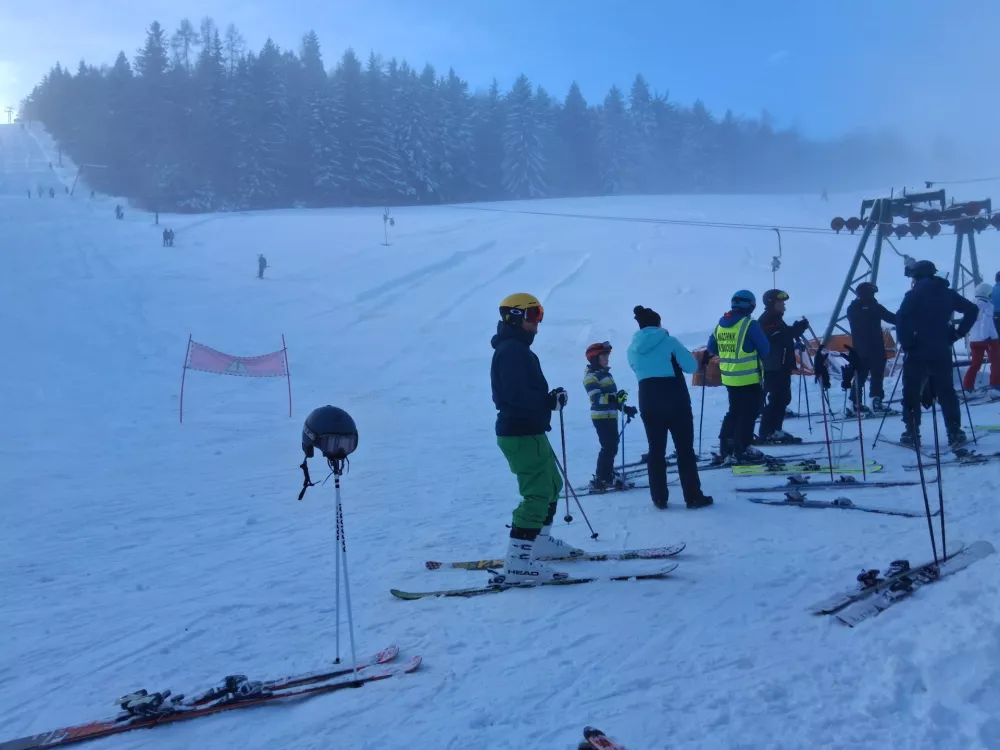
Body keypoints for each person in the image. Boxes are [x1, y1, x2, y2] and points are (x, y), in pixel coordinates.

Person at [491, 293, 578, 584]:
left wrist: (549, 400)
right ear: (514, 318)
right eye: (532, 316)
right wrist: (547, 402)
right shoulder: (512, 351)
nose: (537, 323)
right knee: (537, 493)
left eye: (539, 315)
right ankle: (517, 560)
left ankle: (539, 540)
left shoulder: (516, 349)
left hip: (529, 431)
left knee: (552, 485)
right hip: (520, 432)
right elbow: (515, 396)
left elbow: (523, 394)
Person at [628, 306, 712, 509]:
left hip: (648, 399)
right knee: (684, 449)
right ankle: (693, 496)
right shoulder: (669, 341)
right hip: (675, 399)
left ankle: (659, 497)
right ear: (658, 323)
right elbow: (691, 367)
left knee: (656, 450)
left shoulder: (632, 348)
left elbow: (636, 369)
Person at [896, 260, 978, 447]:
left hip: (917, 350)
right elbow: (972, 310)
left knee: (911, 391)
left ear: (917, 276)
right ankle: (954, 431)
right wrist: (958, 333)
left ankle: (912, 432)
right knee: (946, 391)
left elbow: (901, 319)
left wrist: (907, 343)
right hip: (942, 349)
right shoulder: (947, 293)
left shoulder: (913, 295)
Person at [707, 290, 770, 462]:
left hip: (729, 377)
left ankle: (726, 446)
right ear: (750, 305)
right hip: (749, 377)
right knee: (749, 413)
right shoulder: (749, 324)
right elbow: (765, 349)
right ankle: (743, 447)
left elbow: (711, 347)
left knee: (734, 411)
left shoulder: (720, 325)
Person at [582, 341, 637, 492]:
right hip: (600, 417)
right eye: (604, 356)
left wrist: (625, 408)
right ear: (594, 358)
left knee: (612, 446)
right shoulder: (591, 376)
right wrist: (614, 398)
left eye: (607, 356)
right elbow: (596, 398)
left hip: (610, 415)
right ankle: (601, 477)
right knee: (608, 446)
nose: (607, 359)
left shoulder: (606, 374)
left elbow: (614, 398)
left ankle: (607, 473)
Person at [757, 289, 810, 441]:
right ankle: (768, 431)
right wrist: (795, 330)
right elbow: (776, 337)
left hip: (781, 364)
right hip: (773, 365)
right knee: (778, 398)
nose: (784, 306)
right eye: (781, 303)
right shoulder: (767, 319)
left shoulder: (776, 319)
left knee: (782, 398)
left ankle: (774, 429)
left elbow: (784, 336)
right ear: (771, 303)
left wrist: (795, 330)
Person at [846, 281, 897, 413]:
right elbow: (892, 318)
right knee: (876, 375)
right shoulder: (875, 307)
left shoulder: (852, 308)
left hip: (859, 348)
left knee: (860, 376)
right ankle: (876, 401)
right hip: (875, 347)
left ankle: (854, 403)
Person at [962, 282, 1000, 395]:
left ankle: (968, 386)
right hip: (990, 339)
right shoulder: (988, 305)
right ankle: (996, 385)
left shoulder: (970, 304)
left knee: (975, 363)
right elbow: (985, 323)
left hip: (974, 339)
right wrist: (986, 337)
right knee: (996, 362)